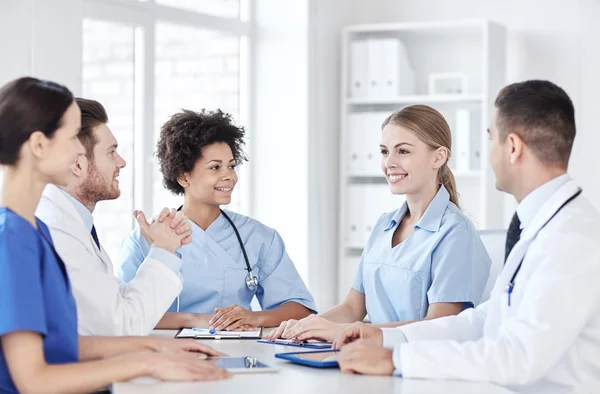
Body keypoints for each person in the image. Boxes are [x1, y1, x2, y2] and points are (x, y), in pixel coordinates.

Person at [333, 80, 600, 393]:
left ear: (512, 147)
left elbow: (518, 357)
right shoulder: (538, 225)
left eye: (491, 140)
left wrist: (398, 360)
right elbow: (482, 320)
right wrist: (386, 338)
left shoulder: (572, 237)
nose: (488, 154)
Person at [0, 77, 229, 394]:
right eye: (71, 137)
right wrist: (144, 362)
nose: (79, 151)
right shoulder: (13, 238)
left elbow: (59, 344)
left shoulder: (31, 232)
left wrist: (155, 349)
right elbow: (34, 380)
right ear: (39, 145)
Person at [265, 105, 491, 342]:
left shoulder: (456, 233)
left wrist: (349, 332)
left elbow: (439, 327)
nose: (389, 163)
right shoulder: (385, 225)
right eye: (385, 151)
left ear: (439, 157)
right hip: (369, 359)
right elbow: (352, 308)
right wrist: (303, 326)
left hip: (421, 367)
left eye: (403, 151)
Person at [117, 109, 316, 331]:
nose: (229, 175)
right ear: (183, 176)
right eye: (215, 167)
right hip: (165, 355)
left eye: (231, 165)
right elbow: (123, 314)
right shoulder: (144, 239)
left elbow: (300, 309)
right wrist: (192, 319)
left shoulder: (259, 237)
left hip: (238, 353)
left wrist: (253, 317)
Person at [35, 97, 198, 336]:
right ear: (77, 165)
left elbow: (115, 299)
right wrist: (163, 250)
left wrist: (162, 249)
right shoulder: (57, 230)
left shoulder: (71, 222)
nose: (121, 162)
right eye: (111, 152)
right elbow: (121, 326)